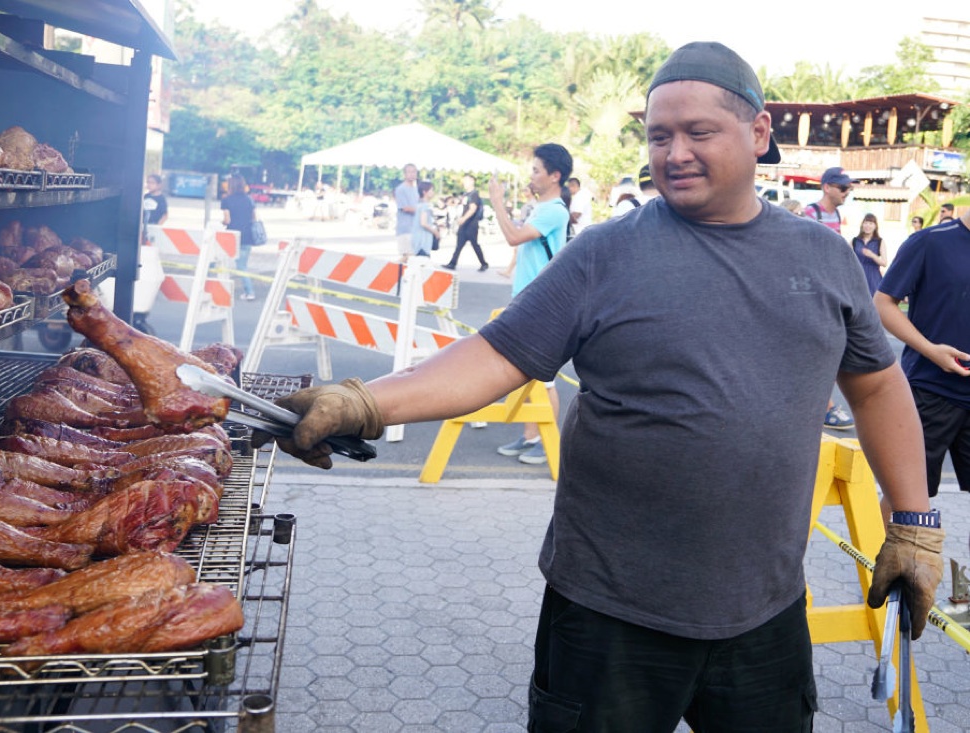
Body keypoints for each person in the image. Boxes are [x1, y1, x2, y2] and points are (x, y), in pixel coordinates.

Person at [256, 42, 943, 733]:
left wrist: (914, 524)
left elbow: (877, 389)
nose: (675, 153)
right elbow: (495, 355)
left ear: (758, 132)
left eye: (698, 132)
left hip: (764, 615)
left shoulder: (823, 257)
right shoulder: (606, 253)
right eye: (659, 136)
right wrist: (365, 403)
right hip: (610, 615)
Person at [875, 206, 970, 497]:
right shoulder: (930, 241)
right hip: (931, 390)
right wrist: (931, 350)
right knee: (908, 498)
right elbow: (882, 303)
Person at [489, 143, 571, 466]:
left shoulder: (554, 211)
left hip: (542, 304)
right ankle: (531, 436)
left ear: (555, 176)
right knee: (527, 375)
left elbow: (513, 237)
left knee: (544, 379)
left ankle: (547, 442)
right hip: (528, 299)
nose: (532, 175)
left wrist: (497, 202)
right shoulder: (542, 207)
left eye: (537, 170)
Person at [805, 165, 856, 430]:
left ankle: (819, 404)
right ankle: (824, 407)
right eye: (843, 187)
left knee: (833, 348)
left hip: (831, 290)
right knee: (821, 348)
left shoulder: (836, 215)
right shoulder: (810, 214)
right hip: (812, 293)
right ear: (827, 187)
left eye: (849, 188)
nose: (847, 192)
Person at [220, 174, 257, 301]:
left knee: (219, 261)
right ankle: (248, 292)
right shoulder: (249, 200)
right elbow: (254, 218)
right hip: (247, 236)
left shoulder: (226, 200)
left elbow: (227, 220)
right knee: (242, 266)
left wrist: (222, 223)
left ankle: (221, 288)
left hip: (232, 237)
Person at [443, 174, 489, 272]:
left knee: (474, 244)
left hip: (471, 224)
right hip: (464, 224)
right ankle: (452, 263)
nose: (464, 183)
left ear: (472, 181)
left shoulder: (474, 194)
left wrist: (463, 218)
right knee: (459, 244)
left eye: (466, 181)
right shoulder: (466, 194)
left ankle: (484, 263)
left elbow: (472, 209)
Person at [852, 212, 887, 296]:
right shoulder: (855, 241)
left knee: (873, 301)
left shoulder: (879, 241)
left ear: (875, 226)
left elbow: (884, 263)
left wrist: (872, 255)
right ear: (862, 225)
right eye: (866, 223)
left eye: (871, 223)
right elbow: (847, 259)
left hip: (873, 277)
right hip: (857, 276)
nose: (868, 225)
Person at [394, 164, 419, 263]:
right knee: (409, 256)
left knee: (411, 257)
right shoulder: (401, 189)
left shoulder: (416, 189)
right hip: (405, 228)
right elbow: (405, 208)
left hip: (415, 228)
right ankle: (392, 269)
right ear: (404, 174)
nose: (412, 174)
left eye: (414, 172)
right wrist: (422, 212)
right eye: (409, 172)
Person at [410, 180, 439, 258]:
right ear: (424, 192)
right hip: (423, 240)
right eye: (431, 190)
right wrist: (435, 232)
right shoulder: (425, 206)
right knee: (423, 261)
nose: (433, 192)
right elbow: (424, 223)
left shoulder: (418, 205)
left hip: (417, 239)